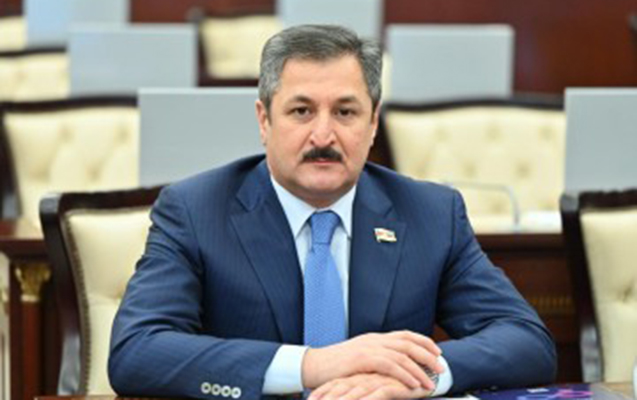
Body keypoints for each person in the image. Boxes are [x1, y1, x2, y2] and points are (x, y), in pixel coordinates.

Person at [108, 24, 556, 399]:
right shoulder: (196, 210)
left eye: (345, 112)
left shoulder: (430, 214)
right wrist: (314, 365)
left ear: (373, 122)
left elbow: (527, 341)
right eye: (301, 111)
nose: (323, 135)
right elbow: (137, 352)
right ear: (264, 120)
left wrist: (414, 375)